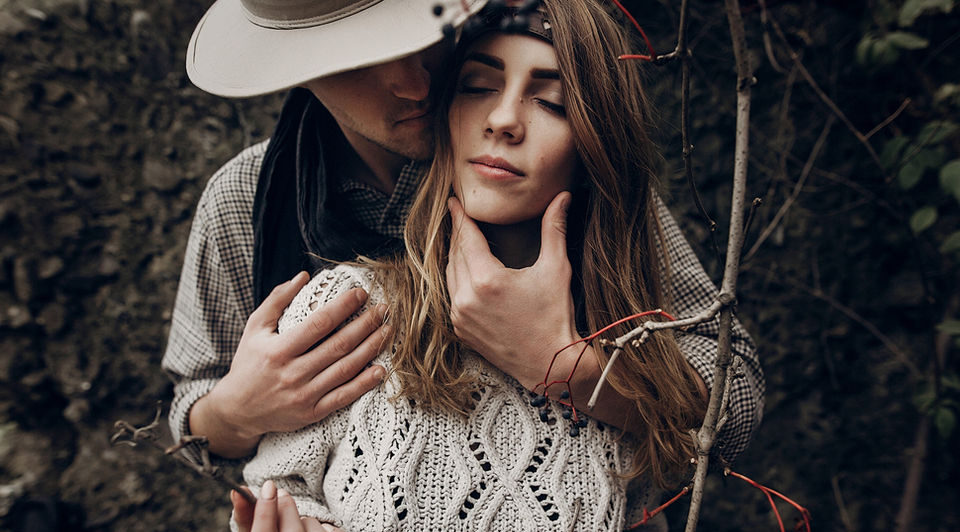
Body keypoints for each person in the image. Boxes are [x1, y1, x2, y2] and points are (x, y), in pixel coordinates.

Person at [226, 1, 761, 532]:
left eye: (553, 103)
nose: (504, 119)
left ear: (595, 146)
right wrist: (234, 430)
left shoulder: (632, 356)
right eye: (478, 87)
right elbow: (275, 493)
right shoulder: (337, 299)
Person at [162, 0, 763, 467]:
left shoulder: (546, 164)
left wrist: (566, 367)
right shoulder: (246, 199)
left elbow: (733, 399)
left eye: (419, 36)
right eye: (358, 64)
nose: (415, 83)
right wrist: (238, 413)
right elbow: (192, 419)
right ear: (297, 73)